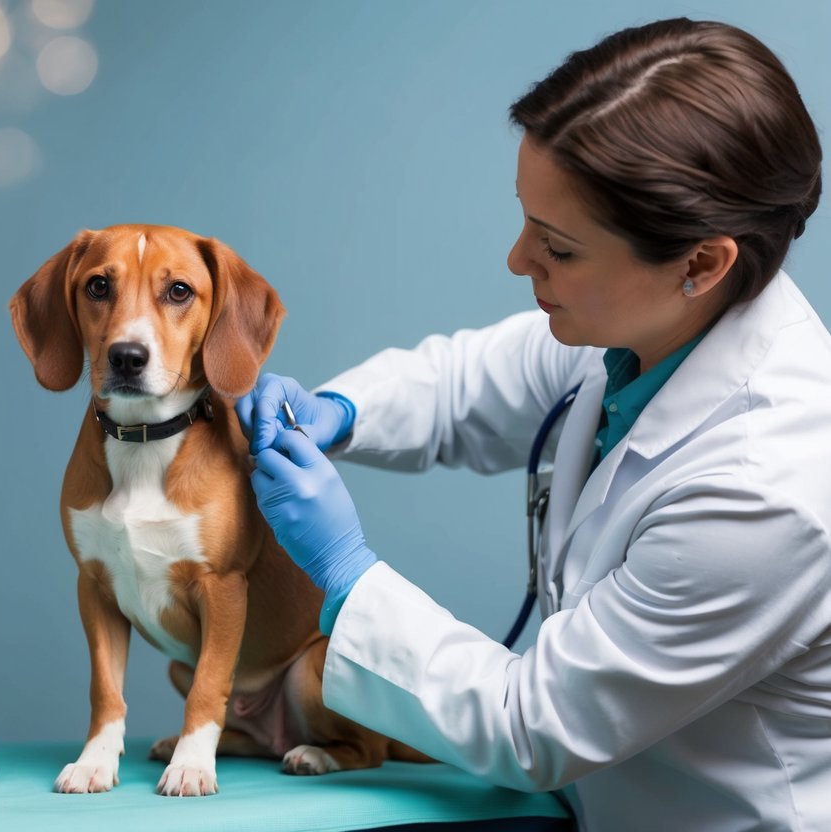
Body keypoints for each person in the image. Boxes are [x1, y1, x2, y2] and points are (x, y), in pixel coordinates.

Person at [237, 18, 827, 831]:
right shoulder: (644, 334)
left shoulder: (769, 492)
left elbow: (530, 725)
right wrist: (338, 412)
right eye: (525, 220)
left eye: (556, 246)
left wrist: (345, 574)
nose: (518, 260)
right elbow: (463, 384)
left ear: (700, 263)